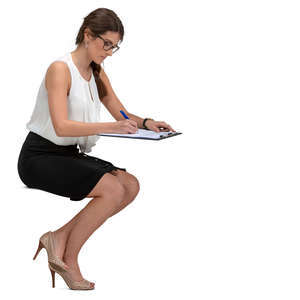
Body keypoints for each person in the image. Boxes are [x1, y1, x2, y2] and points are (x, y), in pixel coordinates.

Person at [17, 8, 175, 290]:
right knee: (113, 189)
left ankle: (58, 237)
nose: (110, 52)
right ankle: (70, 257)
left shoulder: (97, 72)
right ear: (88, 35)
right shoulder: (59, 69)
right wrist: (108, 127)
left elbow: (120, 113)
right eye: (107, 44)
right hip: (39, 157)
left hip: (67, 154)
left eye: (115, 47)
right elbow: (62, 126)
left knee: (130, 184)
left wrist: (148, 123)